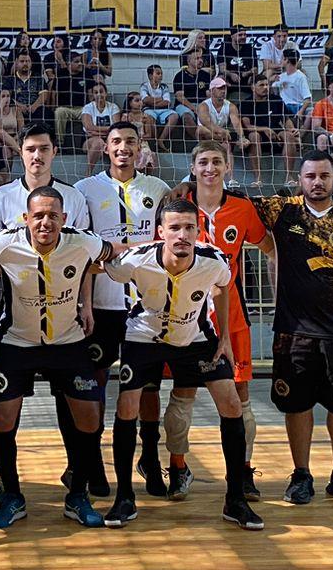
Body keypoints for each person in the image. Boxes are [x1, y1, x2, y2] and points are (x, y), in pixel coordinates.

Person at [102, 197, 258, 530]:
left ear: (198, 231)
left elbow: (223, 287)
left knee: (231, 404)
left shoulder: (213, 260)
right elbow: (99, 265)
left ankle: (235, 499)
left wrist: (226, 339)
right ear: (160, 232)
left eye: (189, 228)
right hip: (143, 338)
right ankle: (125, 497)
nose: (182, 235)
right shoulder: (137, 260)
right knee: (127, 407)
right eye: (174, 228)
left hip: (195, 340)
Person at [0, 187, 122, 529]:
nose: (45, 222)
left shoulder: (82, 242)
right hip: (17, 342)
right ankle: (12, 495)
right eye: (38, 215)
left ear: (64, 219)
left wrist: (162, 250)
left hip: (67, 342)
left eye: (52, 216)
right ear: (26, 218)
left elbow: (111, 254)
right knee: (1, 419)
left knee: (89, 418)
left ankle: (78, 496)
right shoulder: (3, 242)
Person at [256, 153, 333, 506]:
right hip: (292, 331)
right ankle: (301, 474)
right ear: (300, 179)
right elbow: (224, 200)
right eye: (310, 175)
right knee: (297, 405)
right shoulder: (280, 210)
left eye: (324, 175)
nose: (317, 181)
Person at [160, 143, 273, 500]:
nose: (210, 168)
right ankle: (177, 466)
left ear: (227, 166)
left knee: (240, 397)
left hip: (231, 318)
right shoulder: (178, 209)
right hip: (186, 317)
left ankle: (242, 471)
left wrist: (281, 295)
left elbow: (269, 246)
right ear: (192, 167)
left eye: (216, 162)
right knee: (183, 395)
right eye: (203, 162)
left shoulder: (242, 208)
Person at [77, 121, 169, 494]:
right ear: (106, 146)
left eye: (130, 141)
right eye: (116, 141)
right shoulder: (86, 190)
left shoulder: (157, 188)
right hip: (102, 304)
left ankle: (149, 456)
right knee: (96, 382)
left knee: (147, 387)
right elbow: (83, 250)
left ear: (140, 147)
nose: (123, 148)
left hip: (146, 304)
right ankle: (93, 462)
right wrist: (84, 303)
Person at [0, 124, 89, 231]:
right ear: (21, 153)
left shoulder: (74, 196)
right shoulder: (0, 196)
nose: (37, 156)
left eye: (44, 149)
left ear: (54, 152)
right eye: (30, 149)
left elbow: (84, 242)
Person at [239, 74, 299, 177]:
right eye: (261, 85)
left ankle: (289, 176)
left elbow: (286, 119)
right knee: (254, 136)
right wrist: (265, 129)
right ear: (253, 87)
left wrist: (292, 129)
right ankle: (258, 177)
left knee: (289, 136)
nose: (265, 88)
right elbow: (247, 126)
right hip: (257, 136)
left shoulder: (276, 100)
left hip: (276, 134)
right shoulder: (246, 104)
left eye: (267, 84)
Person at [79, 81, 119, 174]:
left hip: (109, 140)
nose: (99, 94)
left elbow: (116, 127)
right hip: (89, 140)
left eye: (101, 91)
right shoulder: (88, 107)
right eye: (96, 92)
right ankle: (88, 174)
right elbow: (88, 127)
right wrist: (108, 130)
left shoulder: (113, 107)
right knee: (99, 142)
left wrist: (96, 131)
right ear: (93, 95)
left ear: (106, 93)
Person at [272, 50, 313, 116]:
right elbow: (272, 93)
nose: (280, 60)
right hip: (282, 105)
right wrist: (271, 81)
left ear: (287, 60)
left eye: (282, 58)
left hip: (295, 107)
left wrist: (300, 112)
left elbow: (307, 98)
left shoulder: (300, 77)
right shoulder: (280, 77)